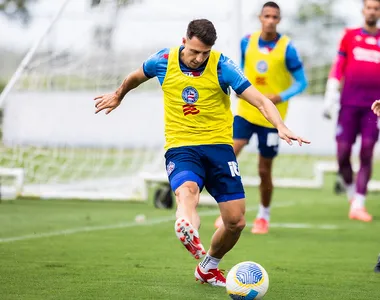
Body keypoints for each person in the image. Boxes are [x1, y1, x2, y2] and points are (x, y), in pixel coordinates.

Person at [94, 19, 309, 287]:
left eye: (205, 53)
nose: (199, 58)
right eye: (195, 51)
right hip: (181, 146)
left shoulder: (222, 66)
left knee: (236, 221)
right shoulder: (163, 60)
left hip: (219, 148)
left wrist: (280, 126)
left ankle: (208, 267)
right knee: (187, 192)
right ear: (184, 41)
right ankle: (187, 226)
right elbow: (135, 77)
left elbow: (260, 100)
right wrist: (118, 95)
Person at [214, 1, 308, 234]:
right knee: (229, 154)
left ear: (279, 20)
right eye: (266, 16)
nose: (270, 20)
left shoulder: (287, 48)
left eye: (274, 17)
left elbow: (302, 82)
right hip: (246, 111)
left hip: (272, 118)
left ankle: (263, 216)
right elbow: (239, 71)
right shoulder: (247, 42)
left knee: (264, 170)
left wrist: (280, 96)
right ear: (260, 17)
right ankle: (226, 211)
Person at [322, 0, 380, 222]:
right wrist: (330, 94)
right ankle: (351, 194)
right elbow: (338, 65)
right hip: (348, 104)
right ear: (363, 10)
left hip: (374, 108)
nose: (372, 11)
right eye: (369, 7)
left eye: (376, 8)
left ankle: (359, 203)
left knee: (367, 151)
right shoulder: (349, 35)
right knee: (343, 154)